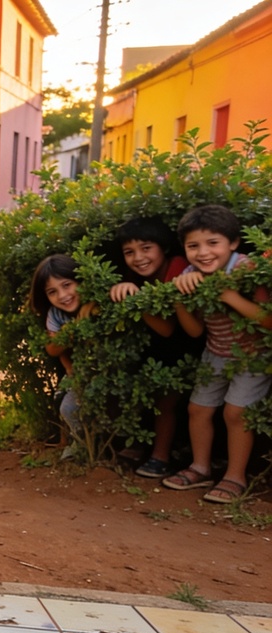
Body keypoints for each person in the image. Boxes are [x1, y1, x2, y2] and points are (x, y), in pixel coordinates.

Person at [163, 205, 272, 504]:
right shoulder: (188, 275)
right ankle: (200, 468)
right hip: (215, 353)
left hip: (254, 356)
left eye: (213, 243)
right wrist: (180, 300)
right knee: (198, 410)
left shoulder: (247, 269)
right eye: (193, 246)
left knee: (236, 413)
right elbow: (196, 331)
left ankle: (235, 477)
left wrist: (230, 296)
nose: (203, 253)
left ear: (233, 243)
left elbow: (268, 320)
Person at [106, 217, 198, 478]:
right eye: (129, 252)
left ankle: (160, 457)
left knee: (165, 401)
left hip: (184, 348)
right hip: (155, 348)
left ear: (164, 247)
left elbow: (167, 329)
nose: (138, 257)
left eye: (147, 248)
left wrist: (134, 301)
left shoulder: (178, 267)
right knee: (139, 391)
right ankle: (139, 443)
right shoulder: (136, 275)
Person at [30, 254, 86, 449]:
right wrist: (71, 371)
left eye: (67, 285)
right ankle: (67, 441)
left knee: (70, 407)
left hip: (101, 370)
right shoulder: (55, 314)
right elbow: (54, 349)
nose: (62, 296)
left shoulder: (94, 306)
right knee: (60, 398)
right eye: (52, 292)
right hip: (77, 369)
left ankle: (82, 446)